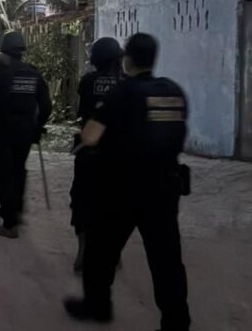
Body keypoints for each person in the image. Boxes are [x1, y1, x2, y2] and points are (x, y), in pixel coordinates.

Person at [64, 33, 191, 331]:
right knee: (167, 260)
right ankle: (176, 322)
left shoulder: (122, 93)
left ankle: (97, 306)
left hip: (123, 187)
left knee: (101, 251)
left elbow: (90, 136)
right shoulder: (173, 91)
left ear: (128, 60)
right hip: (165, 187)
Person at [0, 32, 52, 239]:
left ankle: (10, 223)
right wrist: (37, 125)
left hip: (2, 129)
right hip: (25, 131)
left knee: (4, 174)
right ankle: (17, 210)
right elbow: (46, 105)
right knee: (18, 170)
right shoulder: (32, 72)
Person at [70, 38, 124, 273]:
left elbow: (83, 113)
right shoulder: (125, 83)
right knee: (114, 202)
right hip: (119, 154)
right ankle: (113, 252)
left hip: (89, 150)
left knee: (81, 199)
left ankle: (83, 250)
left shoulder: (88, 81)